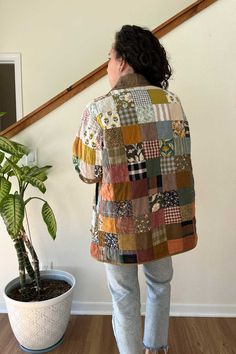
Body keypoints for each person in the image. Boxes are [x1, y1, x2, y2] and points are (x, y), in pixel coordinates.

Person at [72, 25, 198, 354]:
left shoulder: (99, 109)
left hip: (120, 223)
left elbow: (88, 172)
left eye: (109, 59)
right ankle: (156, 349)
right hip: (163, 215)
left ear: (124, 61)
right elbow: (178, 159)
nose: (108, 66)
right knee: (160, 284)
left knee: (125, 297)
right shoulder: (172, 103)